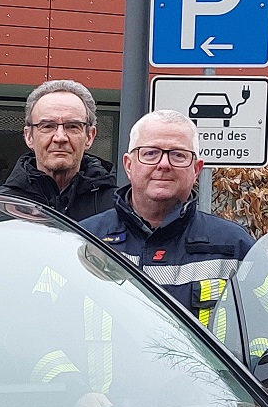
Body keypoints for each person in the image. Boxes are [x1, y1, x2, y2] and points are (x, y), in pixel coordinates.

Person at [80, 111, 253, 333]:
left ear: (196, 169)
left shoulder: (234, 247)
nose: (163, 164)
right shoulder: (84, 241)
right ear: (129, 165)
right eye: (150, 153)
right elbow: (48, 325)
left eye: (178, 155)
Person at [0, 79, 119, 223]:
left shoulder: (119, 211)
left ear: (89, 136)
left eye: (72, 126)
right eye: (48, 126)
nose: (60, 137)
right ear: (29, 136)